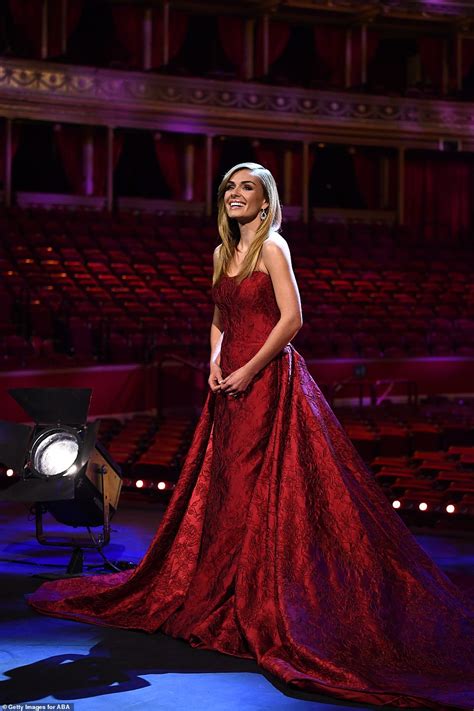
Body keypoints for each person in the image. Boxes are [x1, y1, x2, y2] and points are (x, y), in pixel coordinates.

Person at [29, 163, 474, 710]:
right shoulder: (221, 253)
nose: (236, 195)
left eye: (248, 189)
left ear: (266, 203)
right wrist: (215, 361)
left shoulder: (273, 247)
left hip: (268, 381)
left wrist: (249, 369)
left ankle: (256, 599)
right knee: (224, 490)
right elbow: (220, 317)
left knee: (259, 486)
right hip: (230, 384)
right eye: (231, 188)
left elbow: (292, 319)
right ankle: (220, 590)